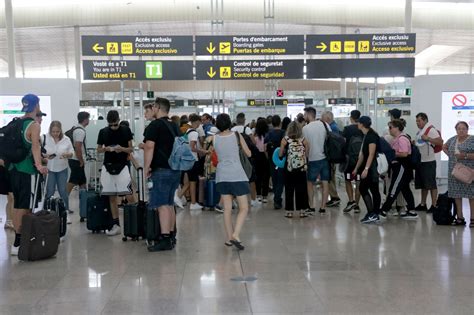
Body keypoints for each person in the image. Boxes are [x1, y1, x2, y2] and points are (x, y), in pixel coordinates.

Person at [9, 94, 48, 256]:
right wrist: (39, 165)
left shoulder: (17, 122)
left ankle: (19, 239)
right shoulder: (33, 125)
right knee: (26, 206)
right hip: (27, 172)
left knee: (18, 205)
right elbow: (35, 148)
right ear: (36, 106)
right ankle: (19, 242)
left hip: (13, 170)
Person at [144, 97, 181, 251]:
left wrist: (146, 167)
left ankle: (165, 238)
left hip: (161, 170)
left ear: (157, 107)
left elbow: (149, 147)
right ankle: (171, 235)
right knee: (170, 202)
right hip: (175, 169)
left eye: (153, 106)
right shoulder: (174, 126)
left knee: (162, 204)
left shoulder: (154, 125)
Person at [213, 113, 251, 250]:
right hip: (237, 175)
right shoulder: (236, 135)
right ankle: (235, 234)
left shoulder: (214, 138)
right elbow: (249, 153)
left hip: (222, 176)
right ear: (230, 123)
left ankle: (229, 238)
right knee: (244, 207)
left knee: (227, 209)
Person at [97, 110, 134, 236]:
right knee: (111, 196)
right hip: (108, 166)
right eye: (111, 125)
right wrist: (106, 149)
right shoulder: (103, 132)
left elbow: (131, 148)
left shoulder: (125, 130)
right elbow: (98, 149)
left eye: (115, 124)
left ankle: (134, 222)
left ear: (119, 120)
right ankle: (116, 224)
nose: (113, 127)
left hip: (123, 166)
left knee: (129, 195)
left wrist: (122, 149)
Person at [379, 119, 418, 220]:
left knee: (394, 188)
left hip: (402, 166)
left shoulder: (402, 139)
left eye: (390, 127)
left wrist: (392, 153)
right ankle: (412, 211)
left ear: (397, 128)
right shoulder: (398, 138)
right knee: (405, 189)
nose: (389, 129)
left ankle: (383, 210)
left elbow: (404, 153)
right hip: (401, 167)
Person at [443, 121, 474, 227]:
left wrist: (464, 156)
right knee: (456, 195)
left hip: (468, 172)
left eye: (463, 128)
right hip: (454, 172)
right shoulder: (453, 139)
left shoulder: (472, 139)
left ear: (467, 129)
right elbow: (444, 146)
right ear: (456, 130)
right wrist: (451, 156)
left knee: (471, 195)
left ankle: (473, 218)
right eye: (459, 128)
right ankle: (460, 218)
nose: (461, 130)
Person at [43, 121, 74, 223]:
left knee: (63, 191)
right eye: (53, 131)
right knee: (50, 191)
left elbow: (72, 153)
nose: (55, 133)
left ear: (60, 130)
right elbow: (39, 150)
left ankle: (65, 213)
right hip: (49, 169)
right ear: (50, 130)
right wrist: (45, 156)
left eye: (57, 131)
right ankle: (47, 213)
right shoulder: (44, 138)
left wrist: (67, 155)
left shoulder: (66, 139)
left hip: (62, 168)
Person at [352, 116, 381, 224]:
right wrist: (356, 168)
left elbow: (371, 154)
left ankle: (372, 213)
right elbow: (363, 155)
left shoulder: (371, 136)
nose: (357, 124)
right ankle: (374, 213)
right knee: (373, 190)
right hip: (368, 167)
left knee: (364, 188)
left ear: (362, 124)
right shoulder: (366, 135)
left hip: (372, 168)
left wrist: (366, 169)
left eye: (358, 123)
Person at [302, 107, 330, 215]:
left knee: (310, 183)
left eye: (305, 114)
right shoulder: (324, 124)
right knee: (325, 182)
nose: (304, 116)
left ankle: (312, 205)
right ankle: (323, 207)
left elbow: (306, 145)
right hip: (325, 158)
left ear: (308, 115)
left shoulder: (305, 128)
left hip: (312, 159)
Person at [177, 114, 207, 210]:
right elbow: (192, 147)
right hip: (193, 160)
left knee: (189, 181)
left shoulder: (187, 131)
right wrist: (203, 151)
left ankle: (179, 197)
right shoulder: (194, 133)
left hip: (186, 159)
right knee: (193, 181)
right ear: (197, 121)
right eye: (200, 122)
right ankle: (193, 203)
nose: (200, 124)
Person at [414, 113, 443, 213]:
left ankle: (434, 205)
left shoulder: (431, 130)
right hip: (421, 161)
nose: (417, 123)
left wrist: (429, 138)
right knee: (423, 184)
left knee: (431, 184)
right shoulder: (420, 131)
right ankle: (423, 204)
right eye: (416, 121)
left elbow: (440, 142)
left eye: (419, 121)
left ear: (425, 120)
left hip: (429, 162)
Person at [279, 122, 309, 218]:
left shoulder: (285, 140)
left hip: (289, 169)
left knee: (289, 189)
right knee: (302, 189)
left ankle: (289, 211)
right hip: (301, 169)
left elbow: (280, 154)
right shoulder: (304, 140)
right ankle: (302, 211)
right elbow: (307, 153)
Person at [67, 111, 90, 213]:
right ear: (85, 119)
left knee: (82, 182)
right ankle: (63, 203)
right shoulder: (80, 131)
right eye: (88, 119)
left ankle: (84, 208)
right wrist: (81, 161)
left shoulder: (75, 128)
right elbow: (78, 147)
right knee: (73, 181)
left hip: (75, 160)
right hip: (77, 160)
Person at [342, 110, 363, 213]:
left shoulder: (347, 129)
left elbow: (343, 142)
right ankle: (357, 205)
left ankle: (351, 201)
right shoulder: (362, 128)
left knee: (348, 180)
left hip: (349, 160)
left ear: (351, 118)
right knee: (358, 181)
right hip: (360, 160)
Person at [265, 115, 286, 209]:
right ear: (280, 123)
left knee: (274, 179)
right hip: (281, 160)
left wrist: (268, 157)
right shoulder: (283, 133)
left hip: (271, 160)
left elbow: (265, 148)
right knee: (281, 180)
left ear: (272, 124)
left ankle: (277, 198)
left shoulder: (268, 134)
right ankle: (277, 200)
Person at [321, 111, 341, 207]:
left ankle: (334, 197)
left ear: (328, 119)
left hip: (331, 157)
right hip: (333, 157)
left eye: (323, 119)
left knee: (329, 177)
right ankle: (334, 196)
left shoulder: (332, 128)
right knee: (330, 177)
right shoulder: (335, 127)